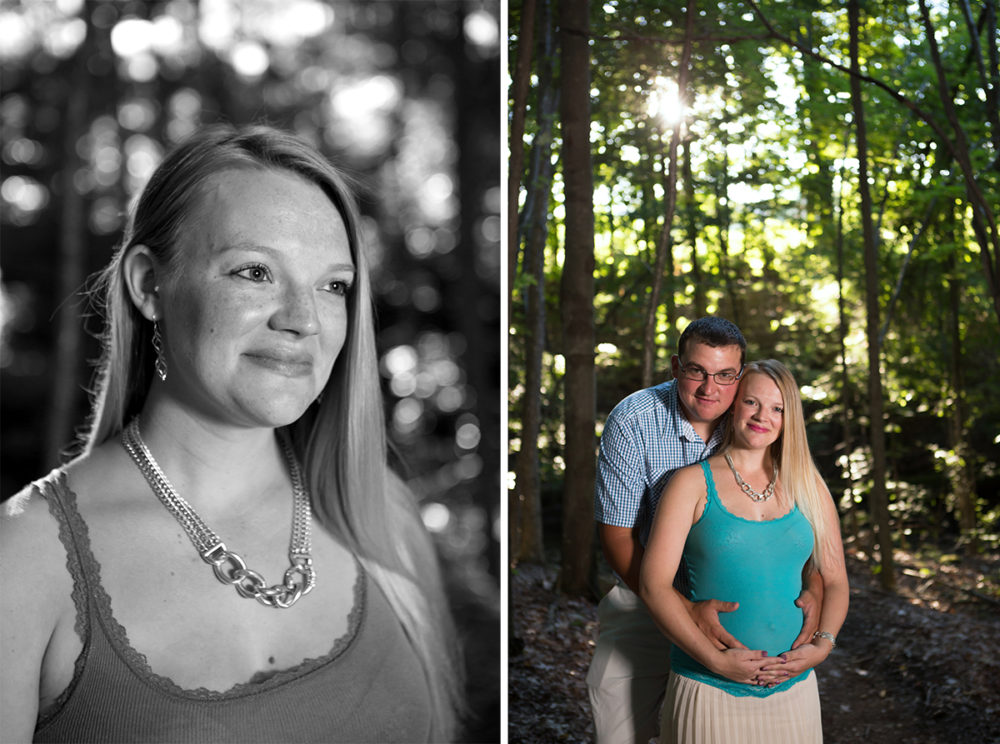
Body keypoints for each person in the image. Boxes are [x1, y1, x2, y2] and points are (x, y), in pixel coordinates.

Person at [0, 125, 463, 743]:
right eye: (253, 272)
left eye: (333, 286)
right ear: (148, 285)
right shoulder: (24, 562)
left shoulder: (383, 518)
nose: (302, 319)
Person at [586, 317, 822, 744]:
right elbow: (617, 537)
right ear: (676, 367)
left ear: (740, 374)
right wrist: (679, 607)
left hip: (737, 608)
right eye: (696, 371)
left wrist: (816, 581)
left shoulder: (755, 413)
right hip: (643, 592)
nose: (709, 389)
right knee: (618, 730)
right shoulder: (634, 420)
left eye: (724, 375)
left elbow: (795, 520)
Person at [640, 359, 849, 743]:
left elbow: (834, 579)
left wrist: (822, 646)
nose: (762, 416)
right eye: (752, 402)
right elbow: (654, 586)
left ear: (789, 419)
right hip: (708, 688)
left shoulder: (809, 487)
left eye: (777, 408)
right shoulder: (690, 483)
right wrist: (715, 659)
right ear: (734, 404)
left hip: (794, 690)